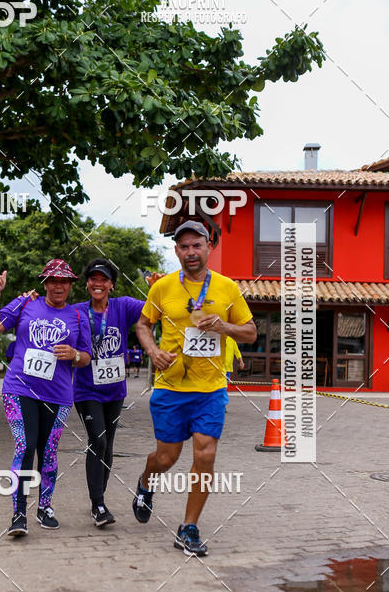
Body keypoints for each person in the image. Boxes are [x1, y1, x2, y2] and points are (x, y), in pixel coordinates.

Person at [133, 220, 257, 556]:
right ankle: (146, 481)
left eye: (196, 245)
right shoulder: (162, 289)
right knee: (166, 458)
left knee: (205, 453)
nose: (190, 252)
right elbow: (143, 324)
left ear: (208, 247)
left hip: (211, 389)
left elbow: (250, 332)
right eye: (184, 247)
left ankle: (188, 527)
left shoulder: (228, 289)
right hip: (172, 387)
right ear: (176, 251)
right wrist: (152, 351)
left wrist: (224, 325)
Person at [0, 260, 92, 537]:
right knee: (26, 445)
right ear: (44, 283)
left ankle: (45, 507)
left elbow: (86, 357)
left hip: (58, 396)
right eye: (53, 280)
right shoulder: (26, 304)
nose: (58, 286)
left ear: (70, 285)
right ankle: (19, 513)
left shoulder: (78, 317)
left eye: (64, 281)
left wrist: (75, 355)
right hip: (19, 389)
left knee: (47, 452)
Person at [73, 259, 145, 527]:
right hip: (86, 389)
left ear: (111, 284)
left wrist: (158, 288)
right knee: (98, 442)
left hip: (115, 390)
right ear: (87, 284)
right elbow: (52, 316)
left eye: (103, 279)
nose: (98, 284)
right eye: (93, 279)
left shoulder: (123, 306)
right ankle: (98, 505)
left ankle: (98, 495)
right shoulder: (77, 311)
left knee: (108, 445)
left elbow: (155, 311)